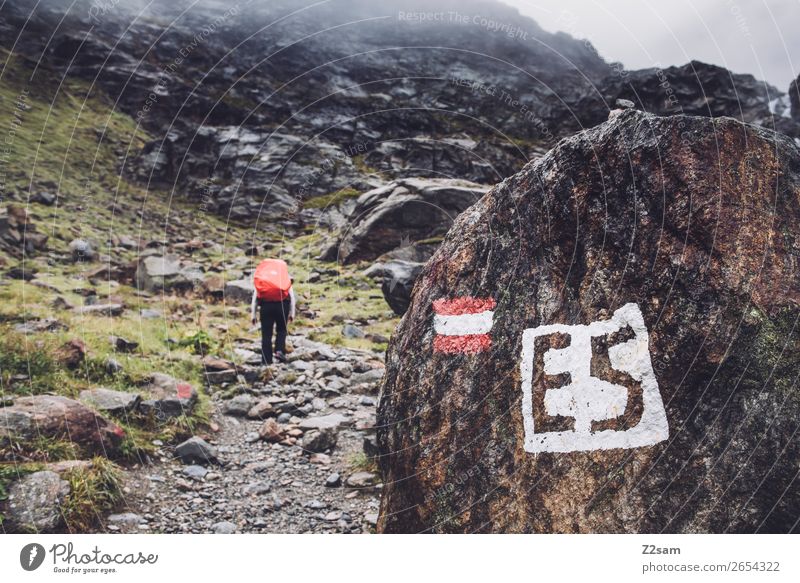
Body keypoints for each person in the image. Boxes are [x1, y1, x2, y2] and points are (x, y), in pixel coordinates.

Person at [250, 261, 296, 365]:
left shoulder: (263, 279)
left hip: (266, 307)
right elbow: (292, 297)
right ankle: (279, 350)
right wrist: (292, 313)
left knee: (266, 334)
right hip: (282, 305)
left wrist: (253, 315)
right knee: (281, 329)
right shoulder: (284, 277)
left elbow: (255, 298)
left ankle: (266, 360)